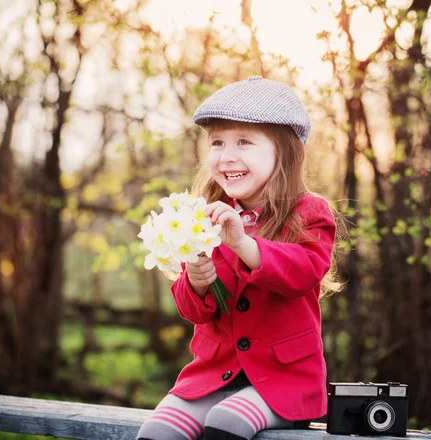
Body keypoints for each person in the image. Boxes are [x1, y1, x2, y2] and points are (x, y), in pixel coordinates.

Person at [137, 76, 342, 440]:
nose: (227, 155)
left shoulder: (310, 212)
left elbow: (304, 272)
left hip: (283, 382)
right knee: (158, 431)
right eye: (218, 142)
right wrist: (197, 283)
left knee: (227, 422)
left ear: (285, 152)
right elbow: (195, 311)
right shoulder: (203, 217)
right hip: (214, 374)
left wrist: (244, 243)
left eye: (244, 142)